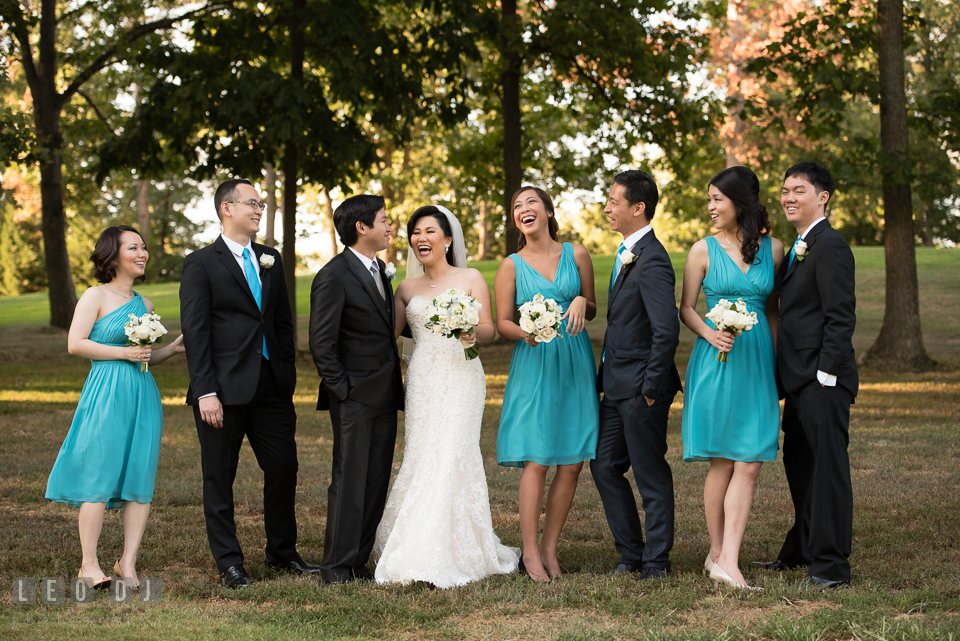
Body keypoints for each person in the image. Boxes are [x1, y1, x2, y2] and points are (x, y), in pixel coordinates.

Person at [372, 205, 519, 587]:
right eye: (415, 232)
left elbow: (490, 330)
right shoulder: (405, 289)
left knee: (454, 452)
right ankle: (418, 545)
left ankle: (450, 549)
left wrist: (472, 332)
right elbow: (385, 337)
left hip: (463, 377)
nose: (421, 238)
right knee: (423, 455)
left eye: (430, 231)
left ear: (448, 239)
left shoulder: (470, 278)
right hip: (423, 379)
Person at [180, 179, 314, 589]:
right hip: (221, 390)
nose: (259, 209)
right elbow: (196, 331)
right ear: (226, 208)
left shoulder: (270, 258)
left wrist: (286, 372)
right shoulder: (201, 263)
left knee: (283, 467)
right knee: (220, 477)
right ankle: (229, 562)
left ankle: (282, 553)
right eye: (252, 203)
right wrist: (205, 391)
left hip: (272, 386)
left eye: (262, 203)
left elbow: (281, 322)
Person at [46, 225, 185, 590]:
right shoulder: (96, 296)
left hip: (142, 393)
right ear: (113, 254)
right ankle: (88, 565)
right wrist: (123, 352)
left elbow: (143, 358)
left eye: (144, 248)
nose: (142, 254)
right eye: (133, 247)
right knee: (99, 474)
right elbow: (75, 344)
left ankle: (128, 562)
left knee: (140, 476)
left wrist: (169, 350)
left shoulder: (147, 306)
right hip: (106, 392)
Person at [679, 166, 784, 589]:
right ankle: (720, 554)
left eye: (717, 199)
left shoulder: (775, 250)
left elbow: (773, 312)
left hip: (757, 363)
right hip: (716, 360)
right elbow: (686, 308)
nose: (710, 207)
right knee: (723, 459)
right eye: (709, 199)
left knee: (752, 461)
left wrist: (777, 364)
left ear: (740, 203)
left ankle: (727, 558)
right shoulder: (701, 251)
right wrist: (709, 332)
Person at [759, 162, 858, 589]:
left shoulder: (830, 245)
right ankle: (801, 549)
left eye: (799, 190)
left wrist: (825, 376)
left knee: (827, 471)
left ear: (823, 197)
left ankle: (831, 566)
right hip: (798, 380)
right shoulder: (802, 246)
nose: (788, 197)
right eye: (784, 190)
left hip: (822, 382)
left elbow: (840, 318)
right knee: (801, 468)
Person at [495, 186, 599, 583]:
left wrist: (579, 303)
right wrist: (527, 333)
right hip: (535, 362)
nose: (524, 209)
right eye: (517, 206)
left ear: (548, 211)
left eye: (531, 202)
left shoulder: (578, 254)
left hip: (574, 362)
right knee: (537, 459)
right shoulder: (511, 265)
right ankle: (530, 552)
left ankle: (551, 549)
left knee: (572, 462)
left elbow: (590, 305)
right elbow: (504, 320)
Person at [591, 169, 682, 582]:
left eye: (614, 201)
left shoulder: (654, 258)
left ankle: (657, 561)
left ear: (637, 207)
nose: (608, 207)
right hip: (616, 385)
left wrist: (649, 389)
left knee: (649, 472)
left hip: (643, 389)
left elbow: (667, 330)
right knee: (604, 464)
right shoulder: (628, 252)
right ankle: (631, 553)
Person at [309, 194, 405, 584]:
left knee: (376, 478)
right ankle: (336, 566)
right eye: (384, 220)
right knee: (349, 481)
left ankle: (358, 560)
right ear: (361, 227)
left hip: (385, 393)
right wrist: (343, 390)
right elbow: (321, 343)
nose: (389, 227)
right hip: (353, 397)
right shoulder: (332, 275)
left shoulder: (380, 269)